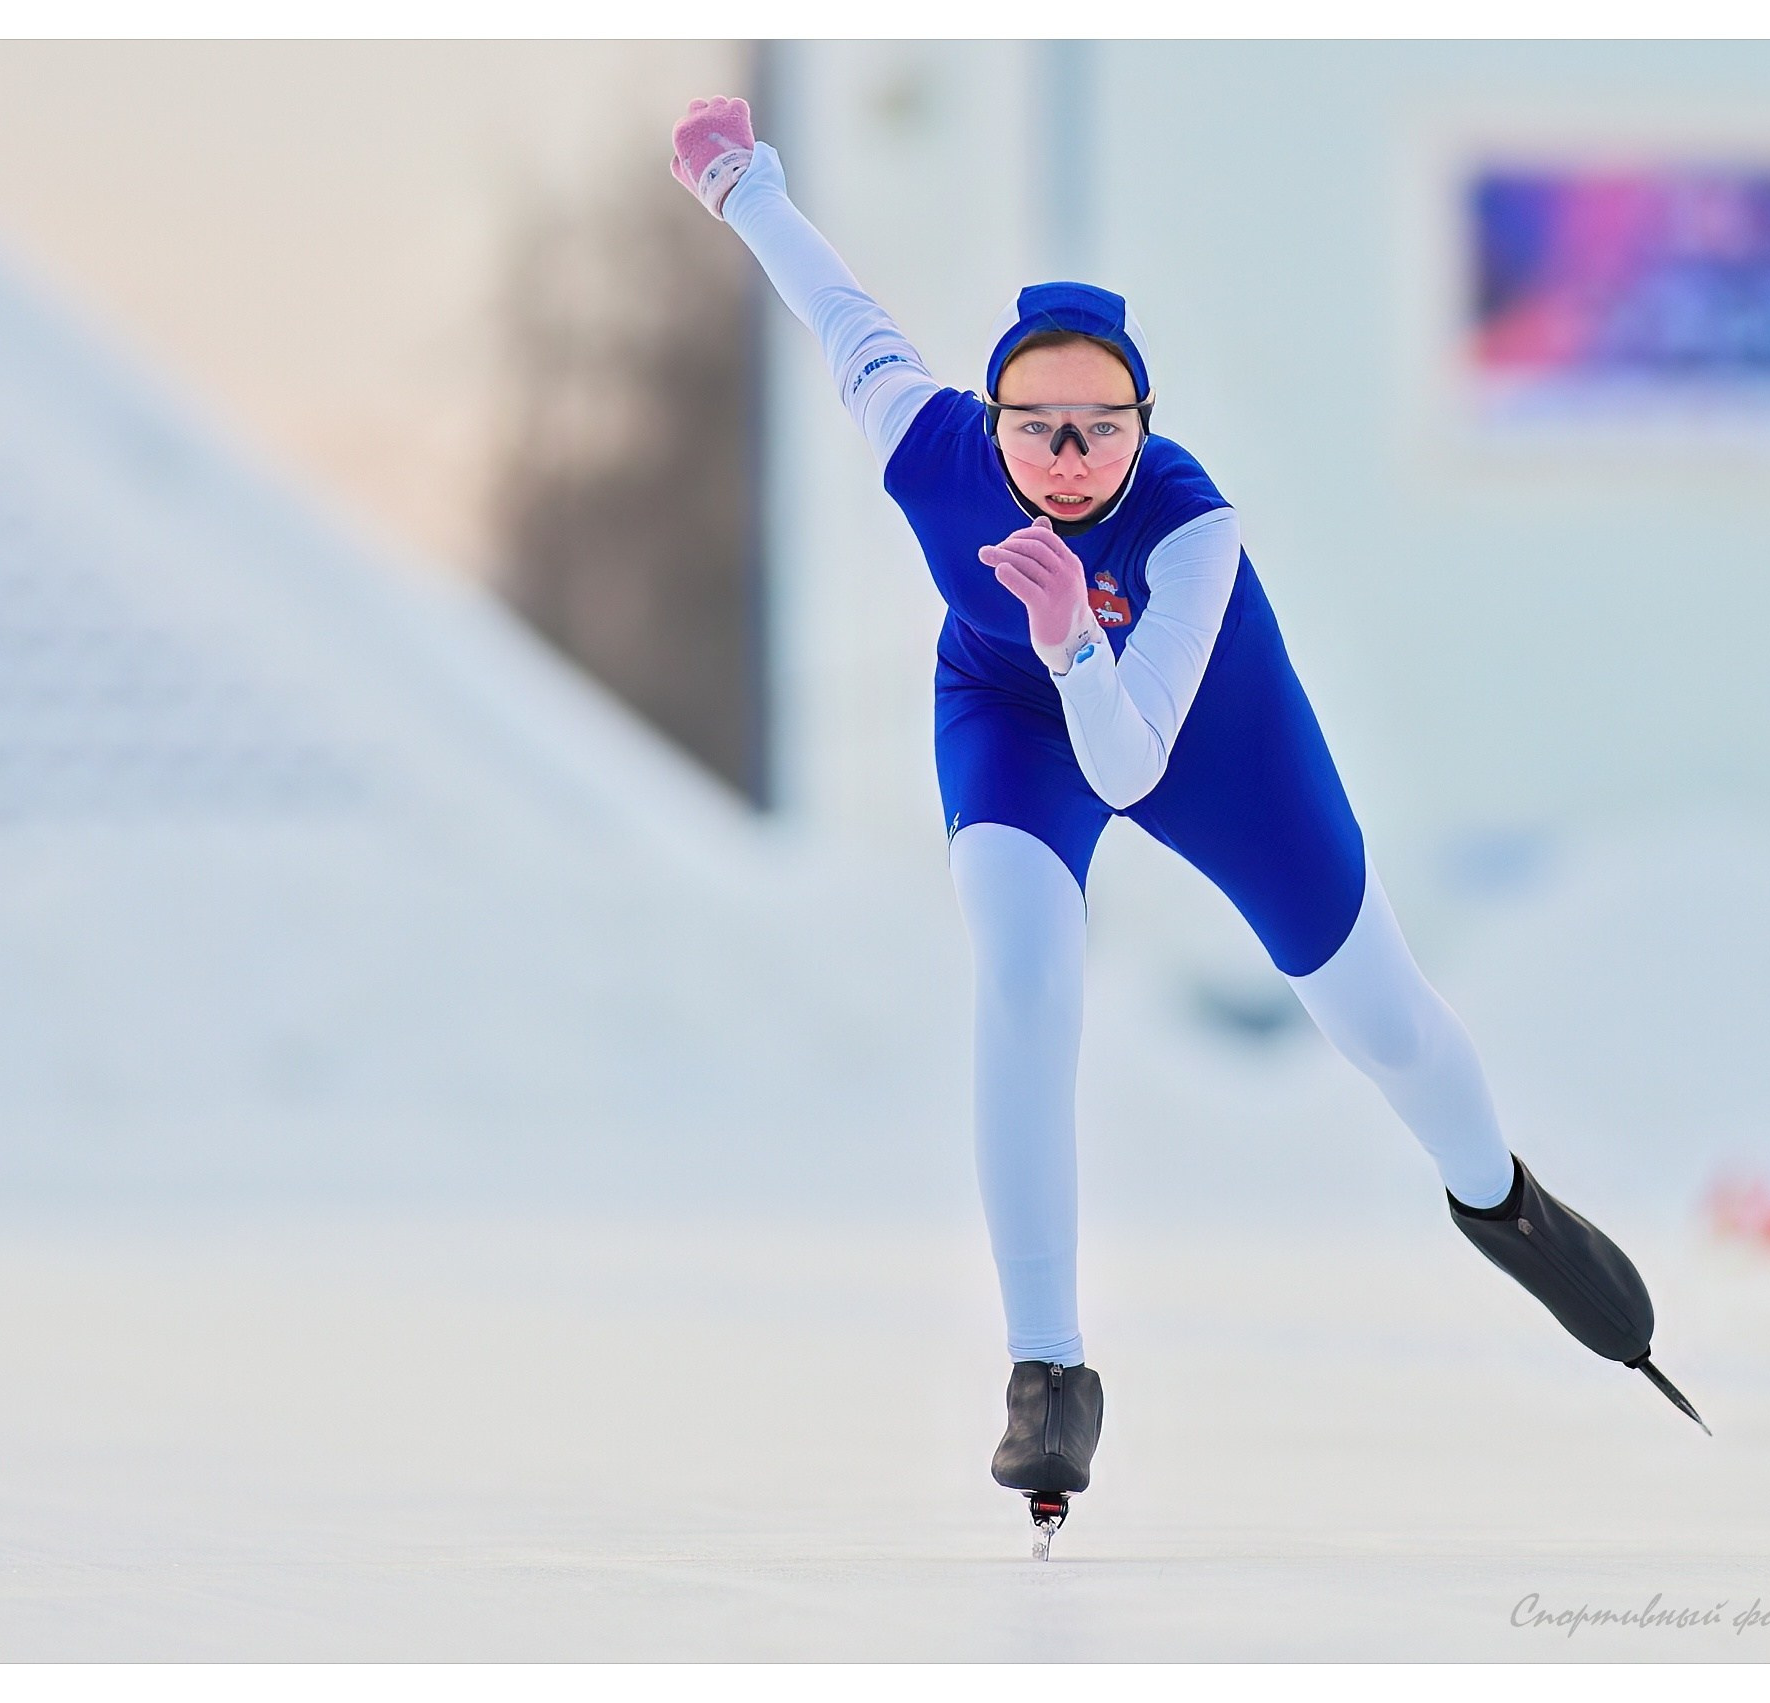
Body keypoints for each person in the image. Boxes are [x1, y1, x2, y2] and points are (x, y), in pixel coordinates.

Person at [668, 97, 1705, 1546]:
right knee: (1025, 981)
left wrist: (1075, 634)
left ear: (1145, 428)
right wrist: (744, 183)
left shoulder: (1190, 526)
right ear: (996, 421)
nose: (1073, 455)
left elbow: (1136, 761)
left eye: (1106, 429)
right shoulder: (928, 444)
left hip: (1202, 729)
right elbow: (838, 308)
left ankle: (1507, 1204)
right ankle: (1049, 1372)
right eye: (1040, 428)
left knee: (1384, 1024)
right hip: (1010, 714)